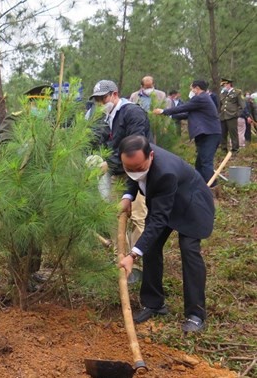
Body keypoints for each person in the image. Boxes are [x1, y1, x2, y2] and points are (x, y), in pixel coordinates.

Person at [118, 135, 214, 333]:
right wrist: (128, 196)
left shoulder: (165, 172)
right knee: (151, 247)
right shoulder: (135, 154)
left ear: (151, 156)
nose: (134, 172)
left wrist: (133, 255)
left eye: (138, 168)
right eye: (129, 168)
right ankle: (154, 303)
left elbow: (158, 220)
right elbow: (134, 176)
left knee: (189, 251)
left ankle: (195, 315)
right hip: (166, 199)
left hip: (191, 205)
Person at [90, 79, 152, 243]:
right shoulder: (108, 117)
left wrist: (108, 163)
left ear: (114, 94)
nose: (100, 103)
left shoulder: (132, 113)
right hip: (117, 174)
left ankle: (138, 260)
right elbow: (106, 142)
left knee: (138, 217)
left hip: (137, 174)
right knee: (115, 216)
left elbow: (136, 146)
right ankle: (121, 260)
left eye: (103, 98)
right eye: (97, 100)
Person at [153, 80, 221, 184]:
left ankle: (211, 185)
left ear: (197, 88)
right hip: (205, 133)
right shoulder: (202, 99)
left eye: (191, 89)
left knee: (206, 161)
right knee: (200, 161)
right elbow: (188, 114)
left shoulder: (200, 98)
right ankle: (199, 183)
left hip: (209, 134)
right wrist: (170, 116)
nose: (191, 91)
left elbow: (183, 108)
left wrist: (164, 111)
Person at [218, 78, 245, 154]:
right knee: (223, 133)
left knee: (233, 133)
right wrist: (219, 114)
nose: (223, 86)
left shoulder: (237, 92)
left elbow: (242, 106)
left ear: (229, 84)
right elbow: (220, 105)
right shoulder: (222, 93)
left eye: (224, 85)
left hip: (232, 116)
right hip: (223, 116)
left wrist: (237, 114)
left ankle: (235, 149)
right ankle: (223, 149)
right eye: (222, 85)